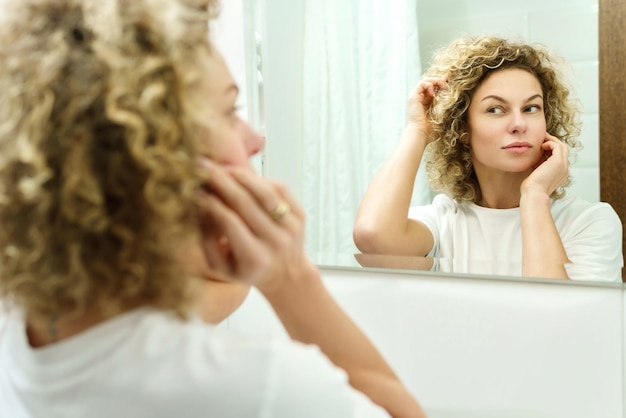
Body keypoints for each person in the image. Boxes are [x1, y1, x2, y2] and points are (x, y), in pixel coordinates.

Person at [0, 1, 427, 417]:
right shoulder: (259, 388)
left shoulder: (25, 331)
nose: (255, 139)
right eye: (229, 112)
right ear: (150, 156)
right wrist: (289, 278)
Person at [353, 36, 623, 281]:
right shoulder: (444, 220)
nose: (519, 124)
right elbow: (372, 236)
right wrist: (417, 130)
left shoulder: (591, 222)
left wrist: (535, 196)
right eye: (495, 109)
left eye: (531, 108)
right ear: (462, 129)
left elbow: (561, 318)